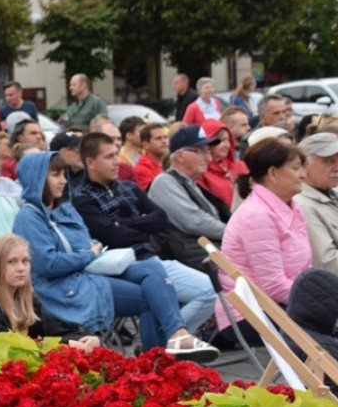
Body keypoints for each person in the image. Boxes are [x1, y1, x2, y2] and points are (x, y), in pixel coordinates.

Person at [13, 150, 218, 359]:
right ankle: (157, 363)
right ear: (36, 178)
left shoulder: (65, 208)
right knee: (151, 296)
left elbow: (88, 241)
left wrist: (91, 248)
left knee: (152, 267)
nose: (64, 181)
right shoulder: (29, 216)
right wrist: (88, 254)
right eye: (55, 175)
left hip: (87, 272)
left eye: (63, 174)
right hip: (64, 288)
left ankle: (177, 334)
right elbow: (48, 264)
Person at [71, 133, 218, 337]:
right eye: (109, 156)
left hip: (152, 259)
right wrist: (141, 226)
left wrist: (124, 223)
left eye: (116, 154)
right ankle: (168, 347)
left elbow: (161, 220)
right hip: (119, 268)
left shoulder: (128, 188)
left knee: (210, 291)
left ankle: (170, 345)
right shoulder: (82, 197)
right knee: (153, 296)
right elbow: (113, 237)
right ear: (90, 162)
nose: (117, 162)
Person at [215, 138, 312, 348]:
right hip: (251, 313)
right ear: (273, 174)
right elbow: (273, 286)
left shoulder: (289, 206)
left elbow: (304, 270)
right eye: (296, 169)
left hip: (279, 305)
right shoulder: (258, 215)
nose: (303, 175)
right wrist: (320, 301)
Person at [0, 234, 101, 351]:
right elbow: (9, 349)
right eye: (12, 262)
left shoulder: (25, 297)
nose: (21, 268)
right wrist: (65, 346)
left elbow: (54, 330)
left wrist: (85, 338)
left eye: (25, 261)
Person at [146, 125, 230, 272]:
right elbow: (195, 221)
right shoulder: (164, 182)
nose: (209, 158)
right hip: (188, 261)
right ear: (179, 155)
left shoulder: (190, 183)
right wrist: (235, 233)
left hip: (205, 254)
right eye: (201, 152)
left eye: (209, 152)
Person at [297, 132, 338, 273]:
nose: (337, 167)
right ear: (305, 166)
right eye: (328, 161)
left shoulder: (329, 193)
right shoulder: (303, 205)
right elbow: (327, 264)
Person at [198, 118, 247, 208]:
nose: (227, 145)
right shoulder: (201, 173)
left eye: (228, 140)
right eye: (222, 140)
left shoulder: (241, 165)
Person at [132, 123, 170, 191]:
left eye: (165, 137)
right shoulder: (141, 170)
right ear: (146, 145)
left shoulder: (173, 162)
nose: (164, 141)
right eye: (158, 138)